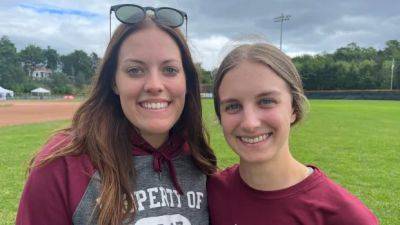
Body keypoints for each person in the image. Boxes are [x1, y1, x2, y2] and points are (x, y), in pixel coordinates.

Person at [16, 4, 216, 225]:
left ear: (186, 81)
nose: (154, 85)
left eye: (170, 70)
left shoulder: (200, 161)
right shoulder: (63, 165)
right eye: (135, 70)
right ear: (114, 82)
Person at [208, 43, 379, 225]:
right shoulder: (210, 193)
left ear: (294, 109)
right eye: (233, 106)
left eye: (266, 101)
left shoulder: (345, 217)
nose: (250, 123)